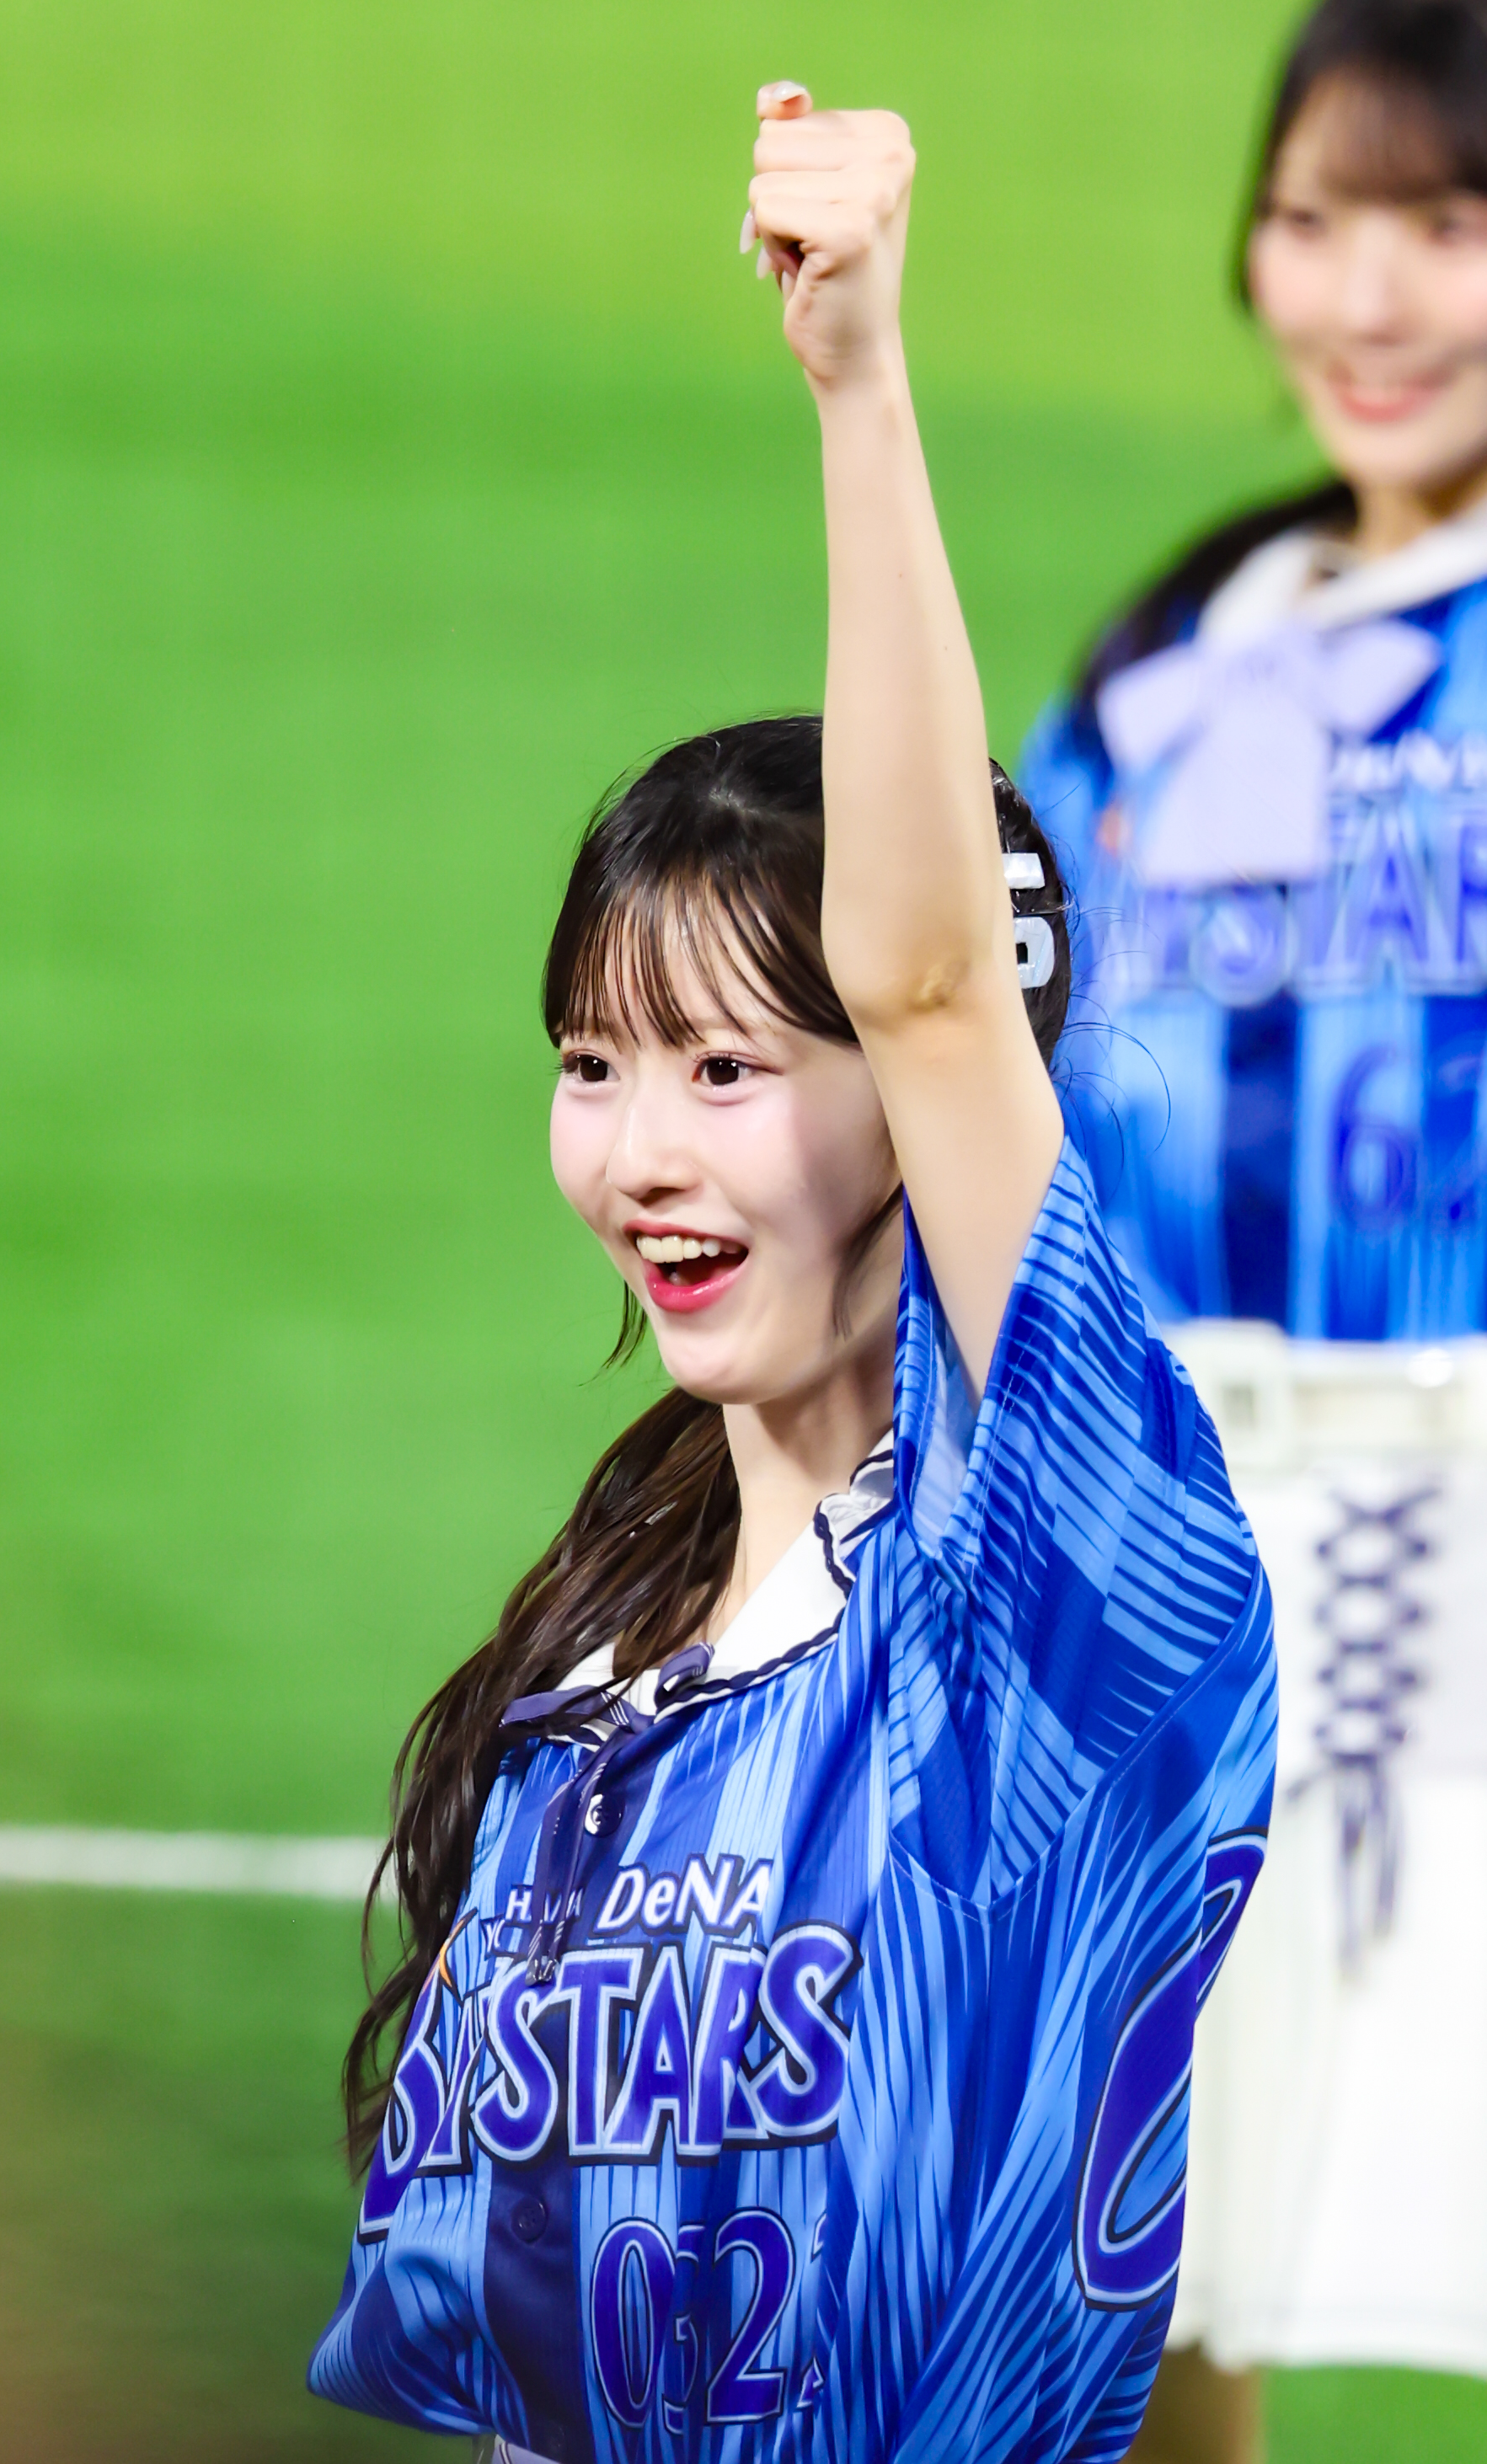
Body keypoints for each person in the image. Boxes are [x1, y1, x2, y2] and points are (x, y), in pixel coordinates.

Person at [309, 85, 1276, 2464]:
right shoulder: (578, 1705)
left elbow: (938, 987)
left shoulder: (1061, 1591)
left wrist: (858, 377)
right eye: (592, 1064)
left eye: (730, 1069)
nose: (641, 1152)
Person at [1019, 2, 1487, 2452]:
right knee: (1161, 2218)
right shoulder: (1186, 651)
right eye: (1314, 221)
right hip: (1184, 1509)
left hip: (1462, 1493)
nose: (1369, 299)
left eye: (1445, 220)